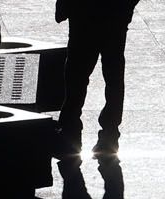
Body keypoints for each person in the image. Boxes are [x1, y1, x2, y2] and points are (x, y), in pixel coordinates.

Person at [55, 0, 140, 158]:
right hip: (113, 13)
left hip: (84, 11)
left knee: (77, 74)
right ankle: (109, 133)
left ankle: (70, 131)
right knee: (112, 74)